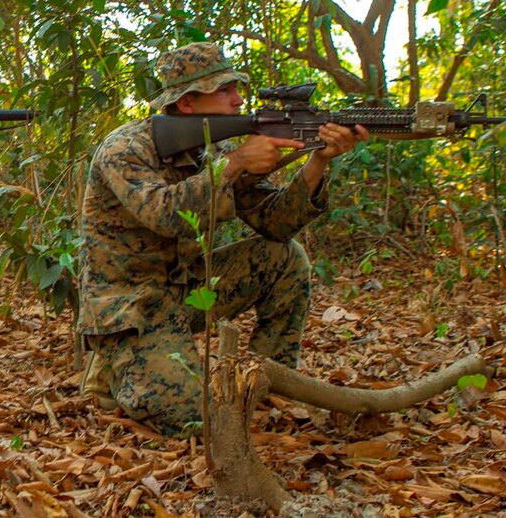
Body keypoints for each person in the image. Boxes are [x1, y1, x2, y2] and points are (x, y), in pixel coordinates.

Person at [78, 41, 367, 436]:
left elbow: (276, 224)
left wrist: (318, 159)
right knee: (203, 421)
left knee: (284, 257)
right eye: (225, 90)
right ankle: (117, 363)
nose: (238, 100)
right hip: (129, 307)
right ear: (187, 104)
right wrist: (232, 167)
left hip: (187, 291)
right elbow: (163, 213)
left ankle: (268, 382)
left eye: (237, 88)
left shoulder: (216, 148)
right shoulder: (126, 149)